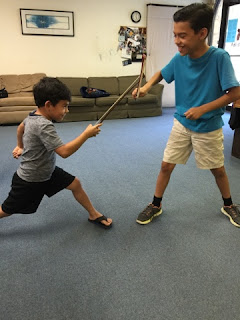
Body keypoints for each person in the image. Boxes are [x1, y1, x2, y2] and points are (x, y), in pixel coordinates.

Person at [132, 3, 240, 227]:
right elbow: (162, 72)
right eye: (174, 35)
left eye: (182, 35)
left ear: (202, 33)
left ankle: (229, 205)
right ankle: (156, 204)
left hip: (208, 126)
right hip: (181, 123)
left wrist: (204, 108)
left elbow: (235, 92)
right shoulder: (180, 58)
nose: (177, 41)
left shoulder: (219, 57)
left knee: (218, 170)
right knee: (166, 166)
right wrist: (146, 87)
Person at [0, 77, 112, 229]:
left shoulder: (33, 114)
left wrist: (20, 146)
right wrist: (86, 135)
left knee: (75, 184)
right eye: (64, 106)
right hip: (31, 180)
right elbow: (64, 152)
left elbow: (21, 127)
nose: (67, 110)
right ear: (48, 105)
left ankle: (93, 214)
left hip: (47, 171)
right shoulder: (44, 125)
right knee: (6, 211)